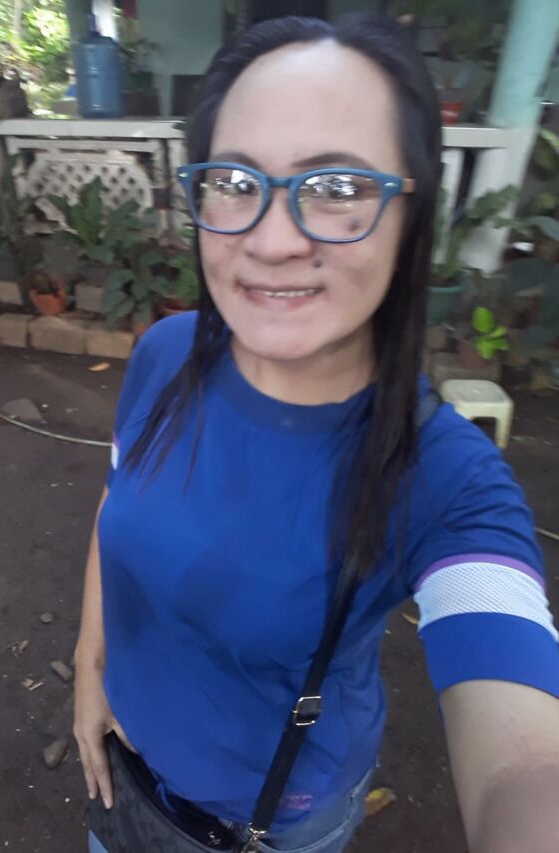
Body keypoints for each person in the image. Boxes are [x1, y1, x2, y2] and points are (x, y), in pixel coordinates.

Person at [74, 13, 559, 853]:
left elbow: (525, 765)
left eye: (337, 187)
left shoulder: (449, 480)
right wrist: (89, 668)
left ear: (413, 211)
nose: (271, 241)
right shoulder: (165, 354)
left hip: (272, 826)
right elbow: (114, 504)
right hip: (123, 784)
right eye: (235, 180)